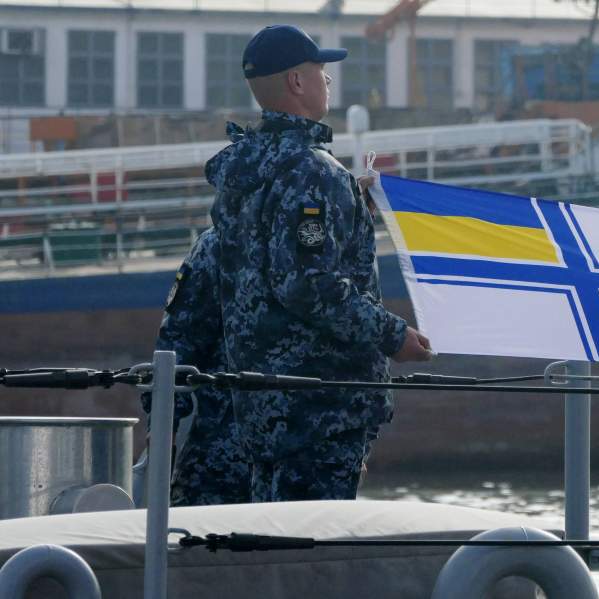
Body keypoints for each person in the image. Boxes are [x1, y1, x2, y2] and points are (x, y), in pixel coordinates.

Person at [206, 25, 433, 502]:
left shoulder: (248, 168)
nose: (328, 79)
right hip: (320, 406)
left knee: (273, 541)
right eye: (320, 69)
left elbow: (271, 251)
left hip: (262, 401)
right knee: (311, 548)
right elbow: (307, 283)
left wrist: (351, 202)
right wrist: (394, 336)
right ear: (295, 82)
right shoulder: (314, 172)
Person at [142, 227, 251, 506]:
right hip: (223, 460)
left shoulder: (329, 237)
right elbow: (178, 344)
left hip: (304, 457)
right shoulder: (221, 244)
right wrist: (163, 428)